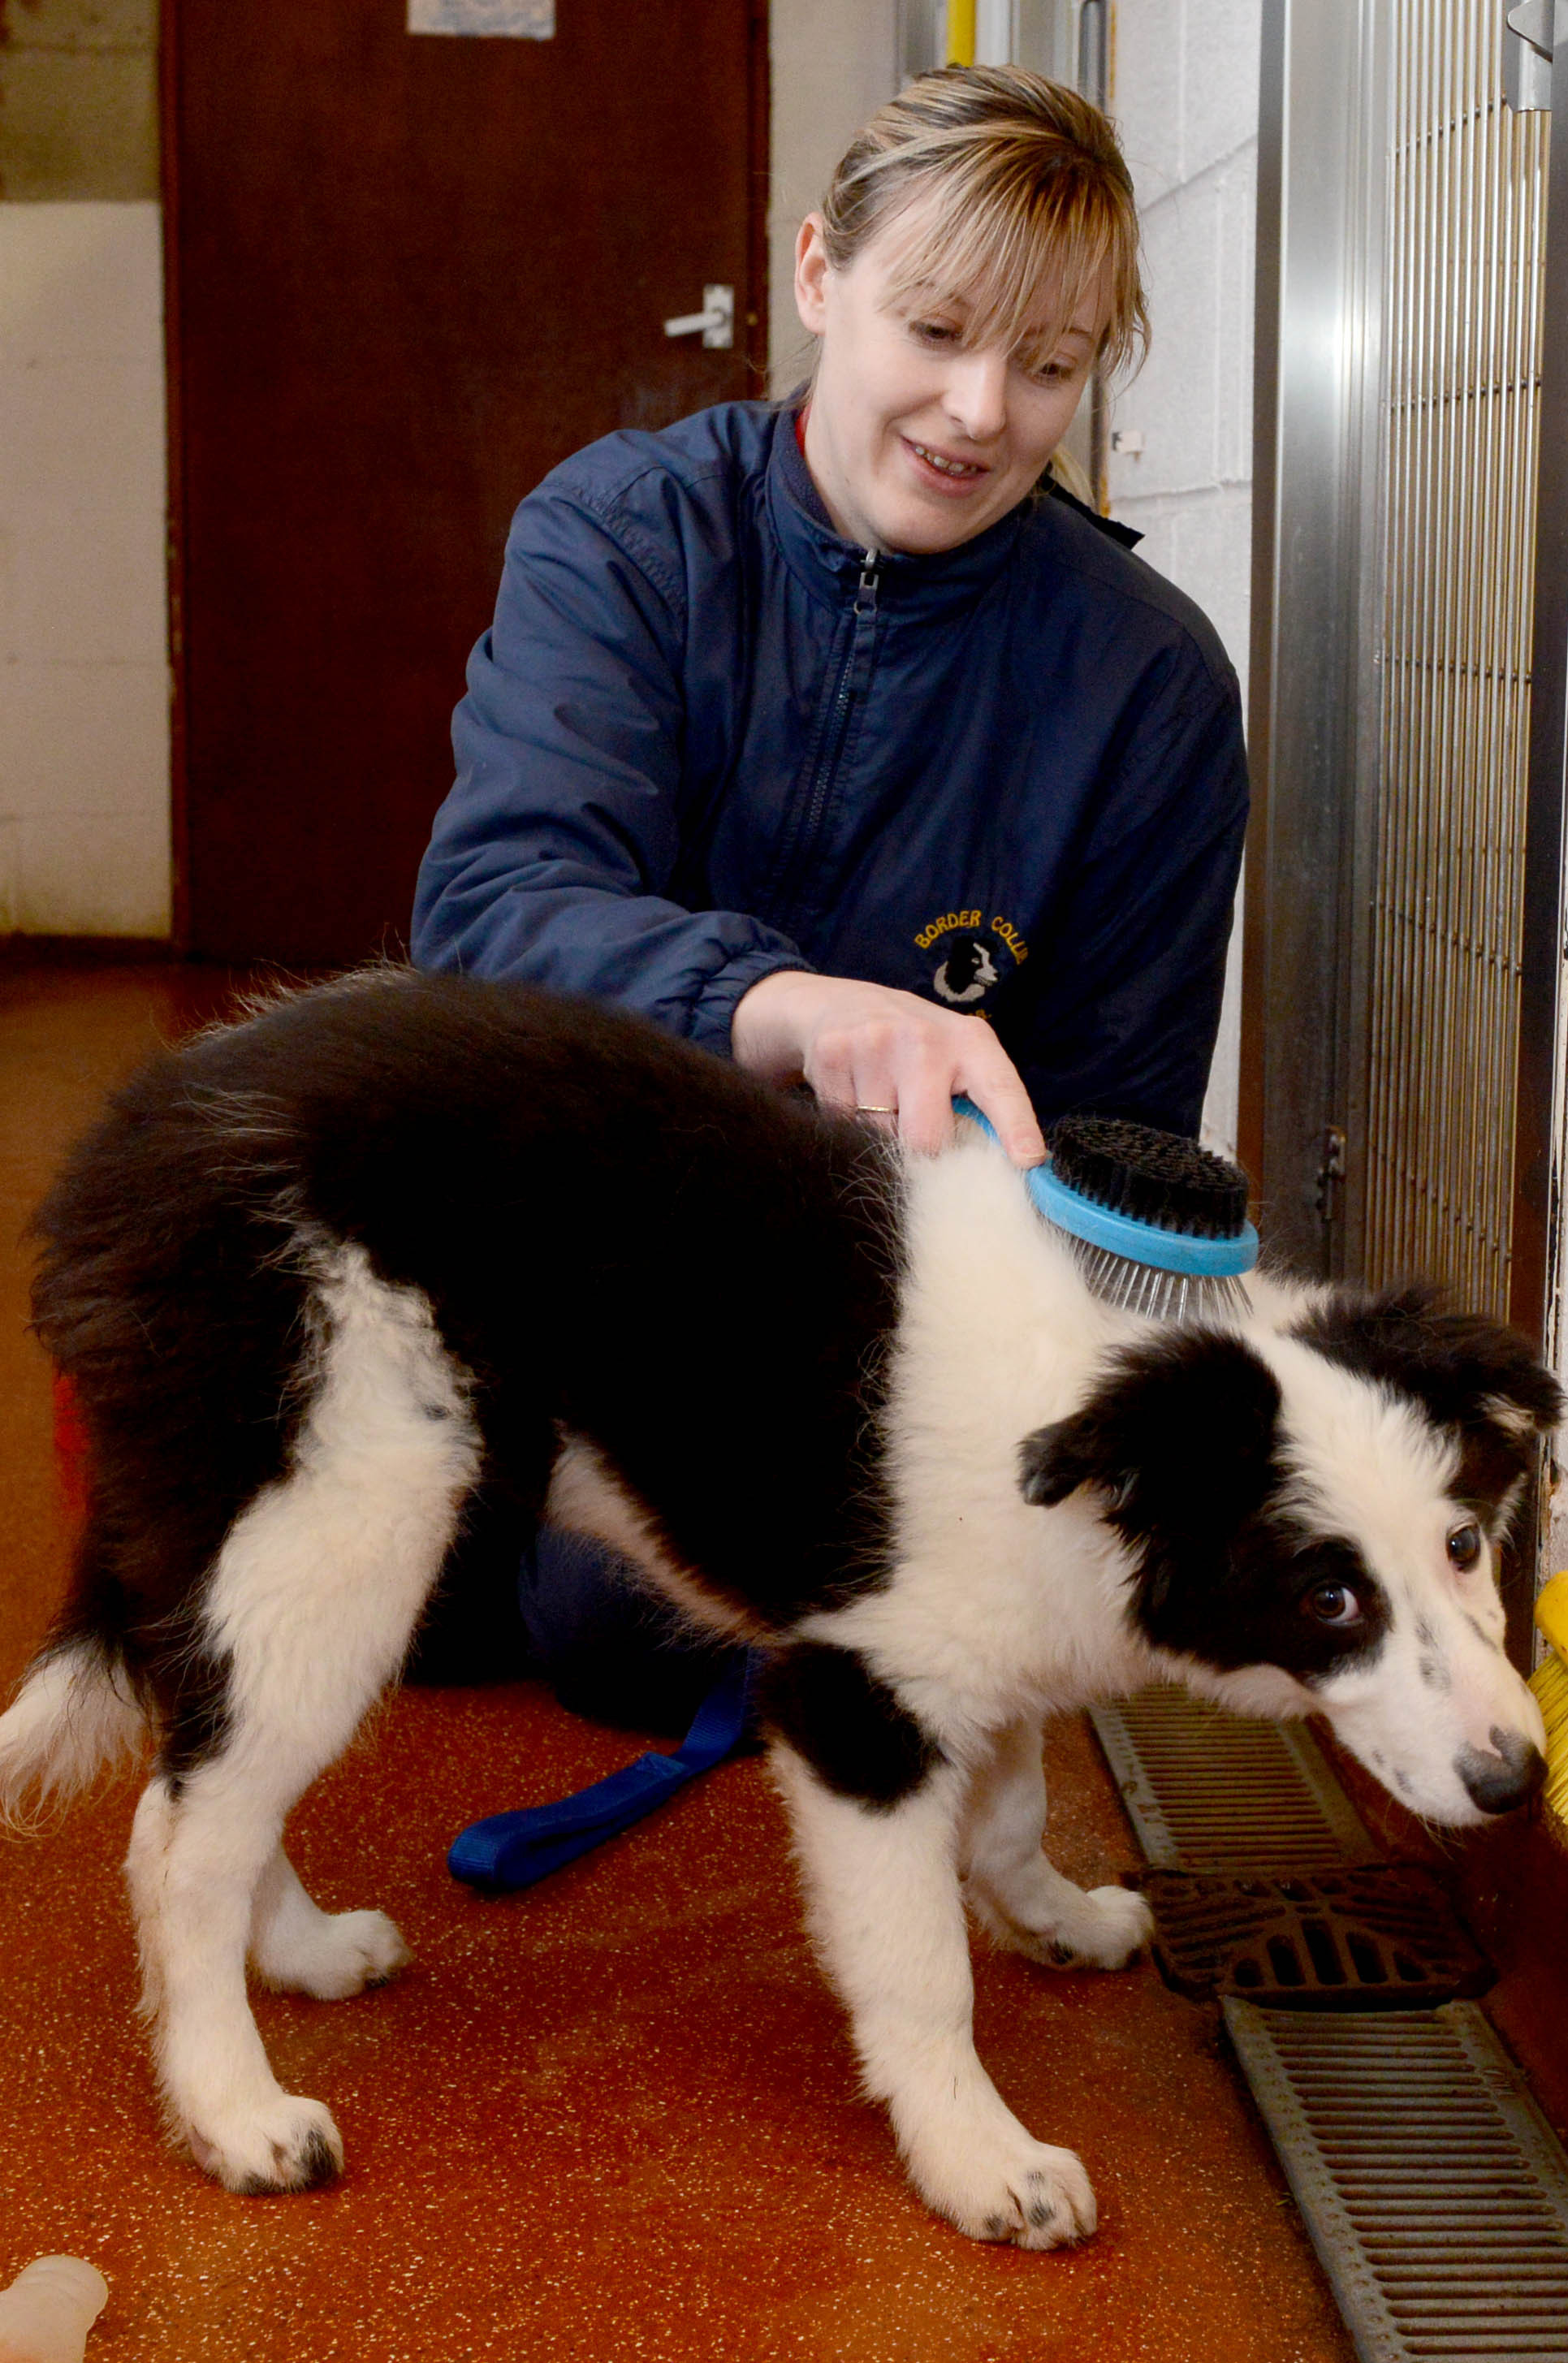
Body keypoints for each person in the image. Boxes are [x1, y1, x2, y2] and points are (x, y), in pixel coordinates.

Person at [409, 63, 1251, 1729]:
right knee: (372, 1556)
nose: (980, 410)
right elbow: (496, 903)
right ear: (817, 277)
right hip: (559, 1216)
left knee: (626, 1626)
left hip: (854, 1314)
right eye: (933, 328)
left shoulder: (1149, 684)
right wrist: (783, 1006)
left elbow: (1103, 1146)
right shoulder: (626, 537)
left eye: (1051, 364)